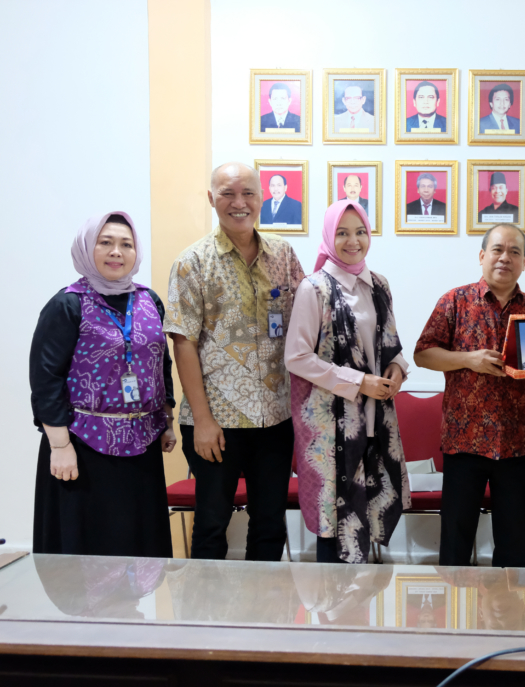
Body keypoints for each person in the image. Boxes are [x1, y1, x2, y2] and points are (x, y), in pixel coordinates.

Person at [164, 162, 306, 561]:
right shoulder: (193, 262)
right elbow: (183, 343)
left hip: (275, 418)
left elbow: (307, 322)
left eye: (248, 193)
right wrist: (203, 421)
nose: (239, 202)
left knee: (270, 523)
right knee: (212, 522)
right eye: (227, 193)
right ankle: (207, 603)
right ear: (212, 199)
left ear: (261, 198)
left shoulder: (283, 254)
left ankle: (265, 602)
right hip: (217, 420)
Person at [30, 211, 176, 557]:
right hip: (82, 445)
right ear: (86, 247)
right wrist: (60, 446)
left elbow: (161, 364)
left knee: (139, 544)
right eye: (105, 242)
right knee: (89, 548)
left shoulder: (149, 300)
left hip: (142, 445)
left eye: (126, 244)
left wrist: (166, 420)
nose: (116, 252)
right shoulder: (67, 304)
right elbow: (46, 379)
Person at [414, 224, 525, 567]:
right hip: (464, 441)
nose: (505, 258)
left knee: (514, 543)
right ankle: (454, 602)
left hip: (516, 442)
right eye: (498, 250)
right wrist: (468, 360)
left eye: (515, 252)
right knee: (455, 542)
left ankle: (509, 600)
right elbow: (423, 354)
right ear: (482, 255)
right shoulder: (455, 301)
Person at [285, 199, 410, 564]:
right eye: (342, 233)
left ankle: (364, 599)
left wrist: (398, 368)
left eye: (360, 232)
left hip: (376, 419)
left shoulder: (379, 285)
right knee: (336, 521)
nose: (353, 241)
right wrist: (358, 382)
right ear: (328, 237)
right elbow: (297, 357)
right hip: (330, 427)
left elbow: (390, 343)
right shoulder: (314, 288)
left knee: (367, 513)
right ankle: (331, 600)